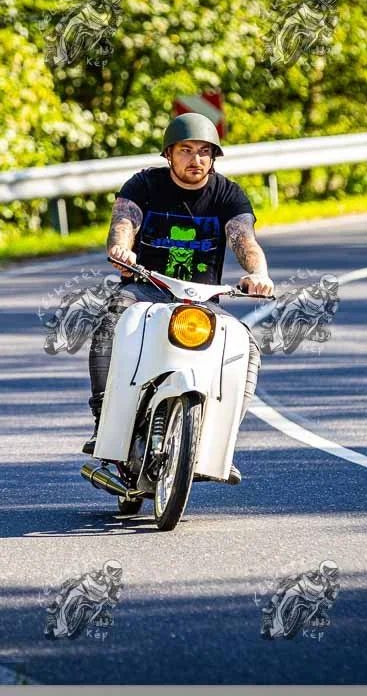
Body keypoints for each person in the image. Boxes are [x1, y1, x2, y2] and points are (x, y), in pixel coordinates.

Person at [84, 112, 275, 485]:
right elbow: (123, 222)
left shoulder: (228, 194)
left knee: (245, 346)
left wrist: (258, 274)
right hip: (146, 289)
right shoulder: (144, 184)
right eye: (186, 150)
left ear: (213, 157)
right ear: (168, 154)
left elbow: (244, 239)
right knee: (113, 322)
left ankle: (218, 443)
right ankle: (104, 420)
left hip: (202, 298)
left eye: (204, 151)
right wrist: (121, 249)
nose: (195, 159)